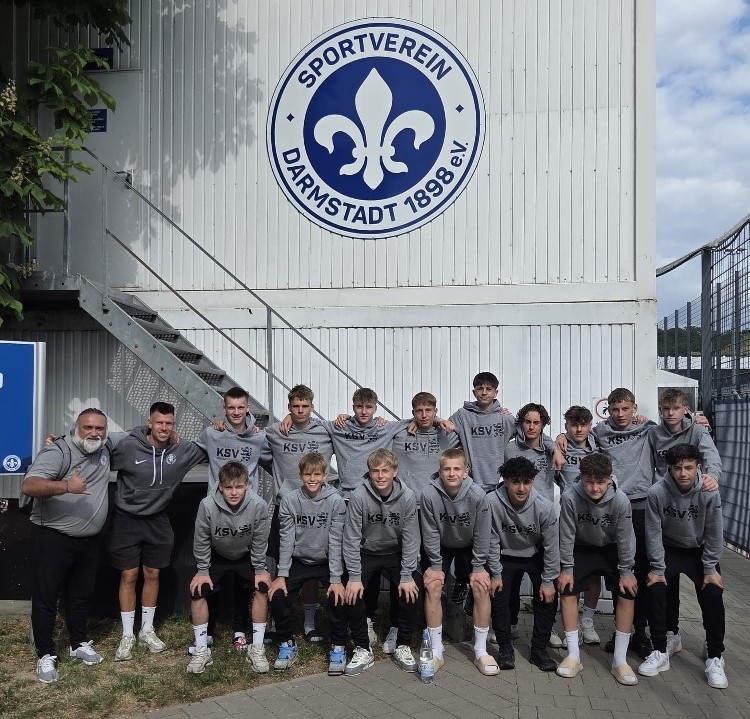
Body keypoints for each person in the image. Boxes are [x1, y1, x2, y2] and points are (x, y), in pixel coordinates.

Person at [22, 408, 125, 683]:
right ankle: (45, 653)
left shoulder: (105, 446)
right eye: (88, 427)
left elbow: (138, 433)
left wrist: (169, 434)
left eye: (99, 428)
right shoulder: (58, 451)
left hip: (88, 540)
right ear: (76, 428)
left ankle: (78, 644)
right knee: (46, 599)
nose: (94, 433)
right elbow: (29, 486)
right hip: (52, 537)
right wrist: (67, 486)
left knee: (80, 596)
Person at [110, 401, 206, 660]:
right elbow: (96, 452)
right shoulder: (129, 447)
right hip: (127, 519)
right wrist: (58, 443)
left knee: (153, 574)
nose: (164, 428)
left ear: (174, 425)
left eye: (169, 423)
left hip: (158, 520)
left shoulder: (180, 449)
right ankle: (127, 634)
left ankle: (147, 629)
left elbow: (216, 447)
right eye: (159, 423)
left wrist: (223, 426)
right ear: (149, 423)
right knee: (129, 575)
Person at [638, 444, 728, 689]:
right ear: (670, 468)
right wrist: (657, 568)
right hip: (669, 549)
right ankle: (660, 650)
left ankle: (715, 656)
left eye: (689, 467)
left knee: (713, 591)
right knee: (655, 587)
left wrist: (710, 568)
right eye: (677, 468)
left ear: (698, 467)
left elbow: (715, 531)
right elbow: (653, 532)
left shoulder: (709, 491)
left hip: (699, 550)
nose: (683, 473)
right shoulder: (657, 492)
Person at [193, 386, 274, 652]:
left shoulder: (259, 437)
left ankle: (241, 631)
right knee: (210, 582)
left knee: (243, 583)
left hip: (245, 514)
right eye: (231, 408)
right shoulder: (212, 433)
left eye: (241, 407)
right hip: (217, 513)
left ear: (248, 408)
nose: (236, 412)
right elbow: (186, 450)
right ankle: (208, 632)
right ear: (224, 409)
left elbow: (282, 454)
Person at [648, 389, 722, 655]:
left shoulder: (698, 432)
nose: (670, 413)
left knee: (711, 589)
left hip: (693, 521)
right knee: (663, 587)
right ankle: (671, 635)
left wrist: (712, 477)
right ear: (660, 409)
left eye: (676, 408)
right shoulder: (653, 433)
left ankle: (714, 649)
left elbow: (711, 458)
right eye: (665, 409)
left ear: (685, 409)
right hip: (666, 507)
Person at [556, 453, 639, 686]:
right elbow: (566, 535)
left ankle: (619, 661)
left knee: (627, 591)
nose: (594, 488)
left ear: (610, 479)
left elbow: (625, 538)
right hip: (582, 546)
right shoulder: (570, 497)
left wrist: (626, 571)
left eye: (600, 482)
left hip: (611, 547)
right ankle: (573, 656)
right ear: (581, 477)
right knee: (567, 588)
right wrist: (566, 568)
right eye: (589, 482)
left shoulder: (620, 500)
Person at [265, 385, 335, 644]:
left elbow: (357, 429)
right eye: (295, 407)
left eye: (305, 406)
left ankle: (309, 623)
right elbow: (247, 432)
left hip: (317, 507)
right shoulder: (276, 431)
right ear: (289, 407)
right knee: (279, 564)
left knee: (310, 568)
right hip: (286, 507)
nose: (300, 411)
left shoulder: (326, 430)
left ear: (312, 407)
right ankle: (275, 622)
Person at [342, 449, 422, 675]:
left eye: (385, 471)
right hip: (367, 551)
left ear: (395, 472)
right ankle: (362, 648)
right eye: (375, 471)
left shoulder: (407, 497)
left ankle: (402, 643)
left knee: (413, 589)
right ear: (369, 472)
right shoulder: (358, 496)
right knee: (351, 591)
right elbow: (351, 538)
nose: (380, 476)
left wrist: (406, 575)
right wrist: (354, 577)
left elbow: (411, 538)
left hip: (395, 551)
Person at [268, 452, 349, 675]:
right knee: (278, 595)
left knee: (339, 597)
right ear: (301, 476)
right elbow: (286, 539)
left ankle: (338, 646)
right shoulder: (290, 500)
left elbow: (335, 540)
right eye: (307, 475)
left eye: (317, 475)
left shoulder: (336, 501)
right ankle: (286, 643)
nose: (312, 479)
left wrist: (336, 578)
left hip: (326, 561)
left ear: (325, 476)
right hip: (299, 560)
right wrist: (281, 575)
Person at [187, 461, 271, 674]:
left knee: (262, 587)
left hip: (245, 555)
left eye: (239, 487)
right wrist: (203, 570)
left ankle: (257, 648)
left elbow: (260, 539)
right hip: (217, 555)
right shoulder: (207, 505)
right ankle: (201, 650)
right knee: (198, 590)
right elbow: (201, 539)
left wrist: (260, 569)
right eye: (229, 487)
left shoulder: (258, 505)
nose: (234, 492)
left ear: (247, 485)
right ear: (220, 486)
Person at [420, 449, 494, 674]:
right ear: (440, 471)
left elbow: (483, 533)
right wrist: (435, 565)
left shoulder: (478, 496)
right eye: (447, 469)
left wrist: (478, 567)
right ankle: (436, 650)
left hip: (469, 545)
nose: (452, 473)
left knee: (481, 586)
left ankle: (480, 651)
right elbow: (430, 532)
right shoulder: (429, 495)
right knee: (433, 585)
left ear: (466, 471)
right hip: (441, 545)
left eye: (456, 469)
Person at [487, 457, 559, 673]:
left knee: (547, 595)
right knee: (498, 594)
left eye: (526, 482)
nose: (521, 488)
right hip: (504, 554)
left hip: (534, 553)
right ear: (505, 481)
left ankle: (539, 649)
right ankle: (505, 648)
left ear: (533, 482)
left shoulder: (544, 507)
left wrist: (548, 581)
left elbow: (552, 547)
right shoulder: (491, 502)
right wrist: (495, 574)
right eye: (515, 482)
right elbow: (491, 540)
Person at [555, 405, 601, 647]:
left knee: (593, 573)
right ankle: (570, 629)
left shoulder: (599, 447)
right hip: (570, 519)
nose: (579, 429)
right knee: (569, 572)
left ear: (590, 425)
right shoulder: (558, 448)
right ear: (566, 426)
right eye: (574, 425)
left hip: (596, 520)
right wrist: (557, 440)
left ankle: (588, 622)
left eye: (583, 425)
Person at [448, 372, 515, 492]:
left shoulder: (505, 418)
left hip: (499, 485)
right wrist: (418, 422)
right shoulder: (462, 416)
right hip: (469, 484)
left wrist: (552, 444)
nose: (484, 393)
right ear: (474, 392)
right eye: (480, 389)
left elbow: (531, 434)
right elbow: (441, 429)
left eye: (489, 389)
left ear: (496, 392)